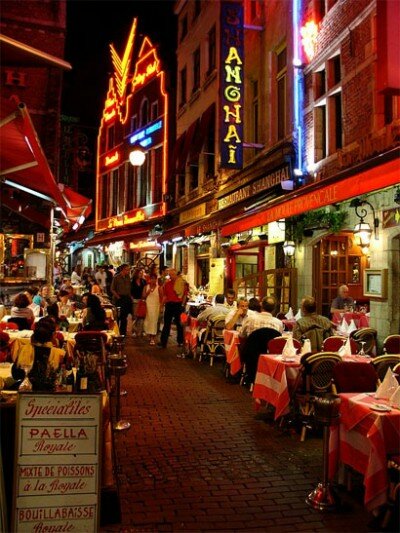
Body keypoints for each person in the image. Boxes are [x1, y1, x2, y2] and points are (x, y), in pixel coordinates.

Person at [159, 268, 185, 348]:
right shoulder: (167, 284)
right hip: (169, 304)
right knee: (167, 323)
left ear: (176, 275)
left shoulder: (181, 283)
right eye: (170, 275)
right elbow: (165, 296)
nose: (171, 276)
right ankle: (163, 342)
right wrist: (161, 306)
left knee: (179, 324)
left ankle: (180, 341)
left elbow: (184, 295)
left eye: (172, 275)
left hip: (178, 304)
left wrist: (182, 305)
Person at [110, 263, 132, 336]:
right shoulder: (116, 277)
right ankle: (117, 332)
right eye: (127, 270)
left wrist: (129, 296)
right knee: (118, 316)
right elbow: (112, 289)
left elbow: (129, 288)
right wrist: (118, 297)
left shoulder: (128, 277)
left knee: (124, 317)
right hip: (119, 298)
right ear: (123, 270)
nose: (128, 271)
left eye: (129, 270)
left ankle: (123, 333)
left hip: (126, 298)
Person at [142, 274, 163, 345]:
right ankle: (149, 334)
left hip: (155, 306)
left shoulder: (159, 288)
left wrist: (161, 307)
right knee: (147, 321)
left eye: (154, 279)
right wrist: (148, 292)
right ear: (149, 279)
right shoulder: (146, 287)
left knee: (154, 321)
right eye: (152, 279)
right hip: (148, 306)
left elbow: (162, 297)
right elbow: (143, 296)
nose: (153, 280)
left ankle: (153, 337)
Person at [131, 269, 148, 336]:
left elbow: (146, 290)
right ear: (136, 274)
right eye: (140, 273)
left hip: (142, 300)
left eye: (142, 273)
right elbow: (130, 291)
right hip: (135, 300)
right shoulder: (132, 282)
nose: (141, 274)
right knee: (135, 316)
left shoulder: (143, 281)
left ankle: (142, 330)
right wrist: (131, 298)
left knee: (142, 316)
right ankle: (134, 331)